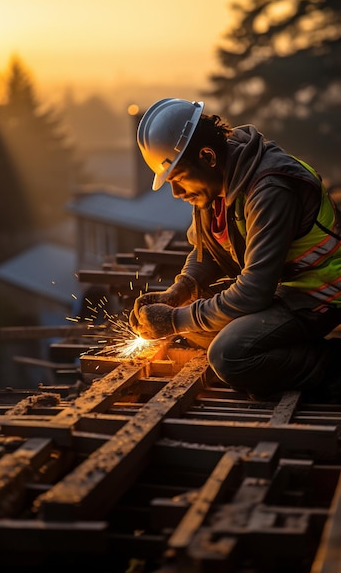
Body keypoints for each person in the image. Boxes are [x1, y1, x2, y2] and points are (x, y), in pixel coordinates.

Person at [129, 98, 341, 403]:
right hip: (281, 289)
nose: (176, 193)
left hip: (320, 295)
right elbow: (206, 251)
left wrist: (174, 319)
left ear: (207, 156)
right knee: (195, 323)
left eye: (178, 179)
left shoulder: (270, 189)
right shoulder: (216, 182)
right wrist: (178, 292)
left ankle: (332, 368)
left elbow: (254, 292)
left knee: (229, 355)